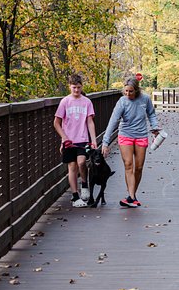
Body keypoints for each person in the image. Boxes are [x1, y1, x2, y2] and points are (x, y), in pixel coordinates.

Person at [102, 77, 161, 208]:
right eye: (126, 91)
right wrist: (105, 142)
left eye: (131, 91)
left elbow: (151, 114)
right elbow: (113, 120)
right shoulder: (122, 101)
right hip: (125, 135)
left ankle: (132, 195)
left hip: (141, 135)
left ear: (137, 90)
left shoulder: (145, 99)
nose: (128, 94)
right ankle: (132, 197)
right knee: (128, 165)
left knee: (138, 168)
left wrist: (155, 127)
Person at [54, 74, 98, 207]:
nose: (77, 90)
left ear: (82, 87)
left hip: (82, 139)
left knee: (82, 162)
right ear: (70, 87)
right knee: (72, 167)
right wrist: (64, 138)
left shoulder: (87, 102)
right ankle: (75, 196)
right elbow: (56, 123)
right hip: (69, 140)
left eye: (79, 87)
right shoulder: (65, 102)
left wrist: (94, 140)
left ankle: (84, 184)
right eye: (74, 87)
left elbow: (90, 122)